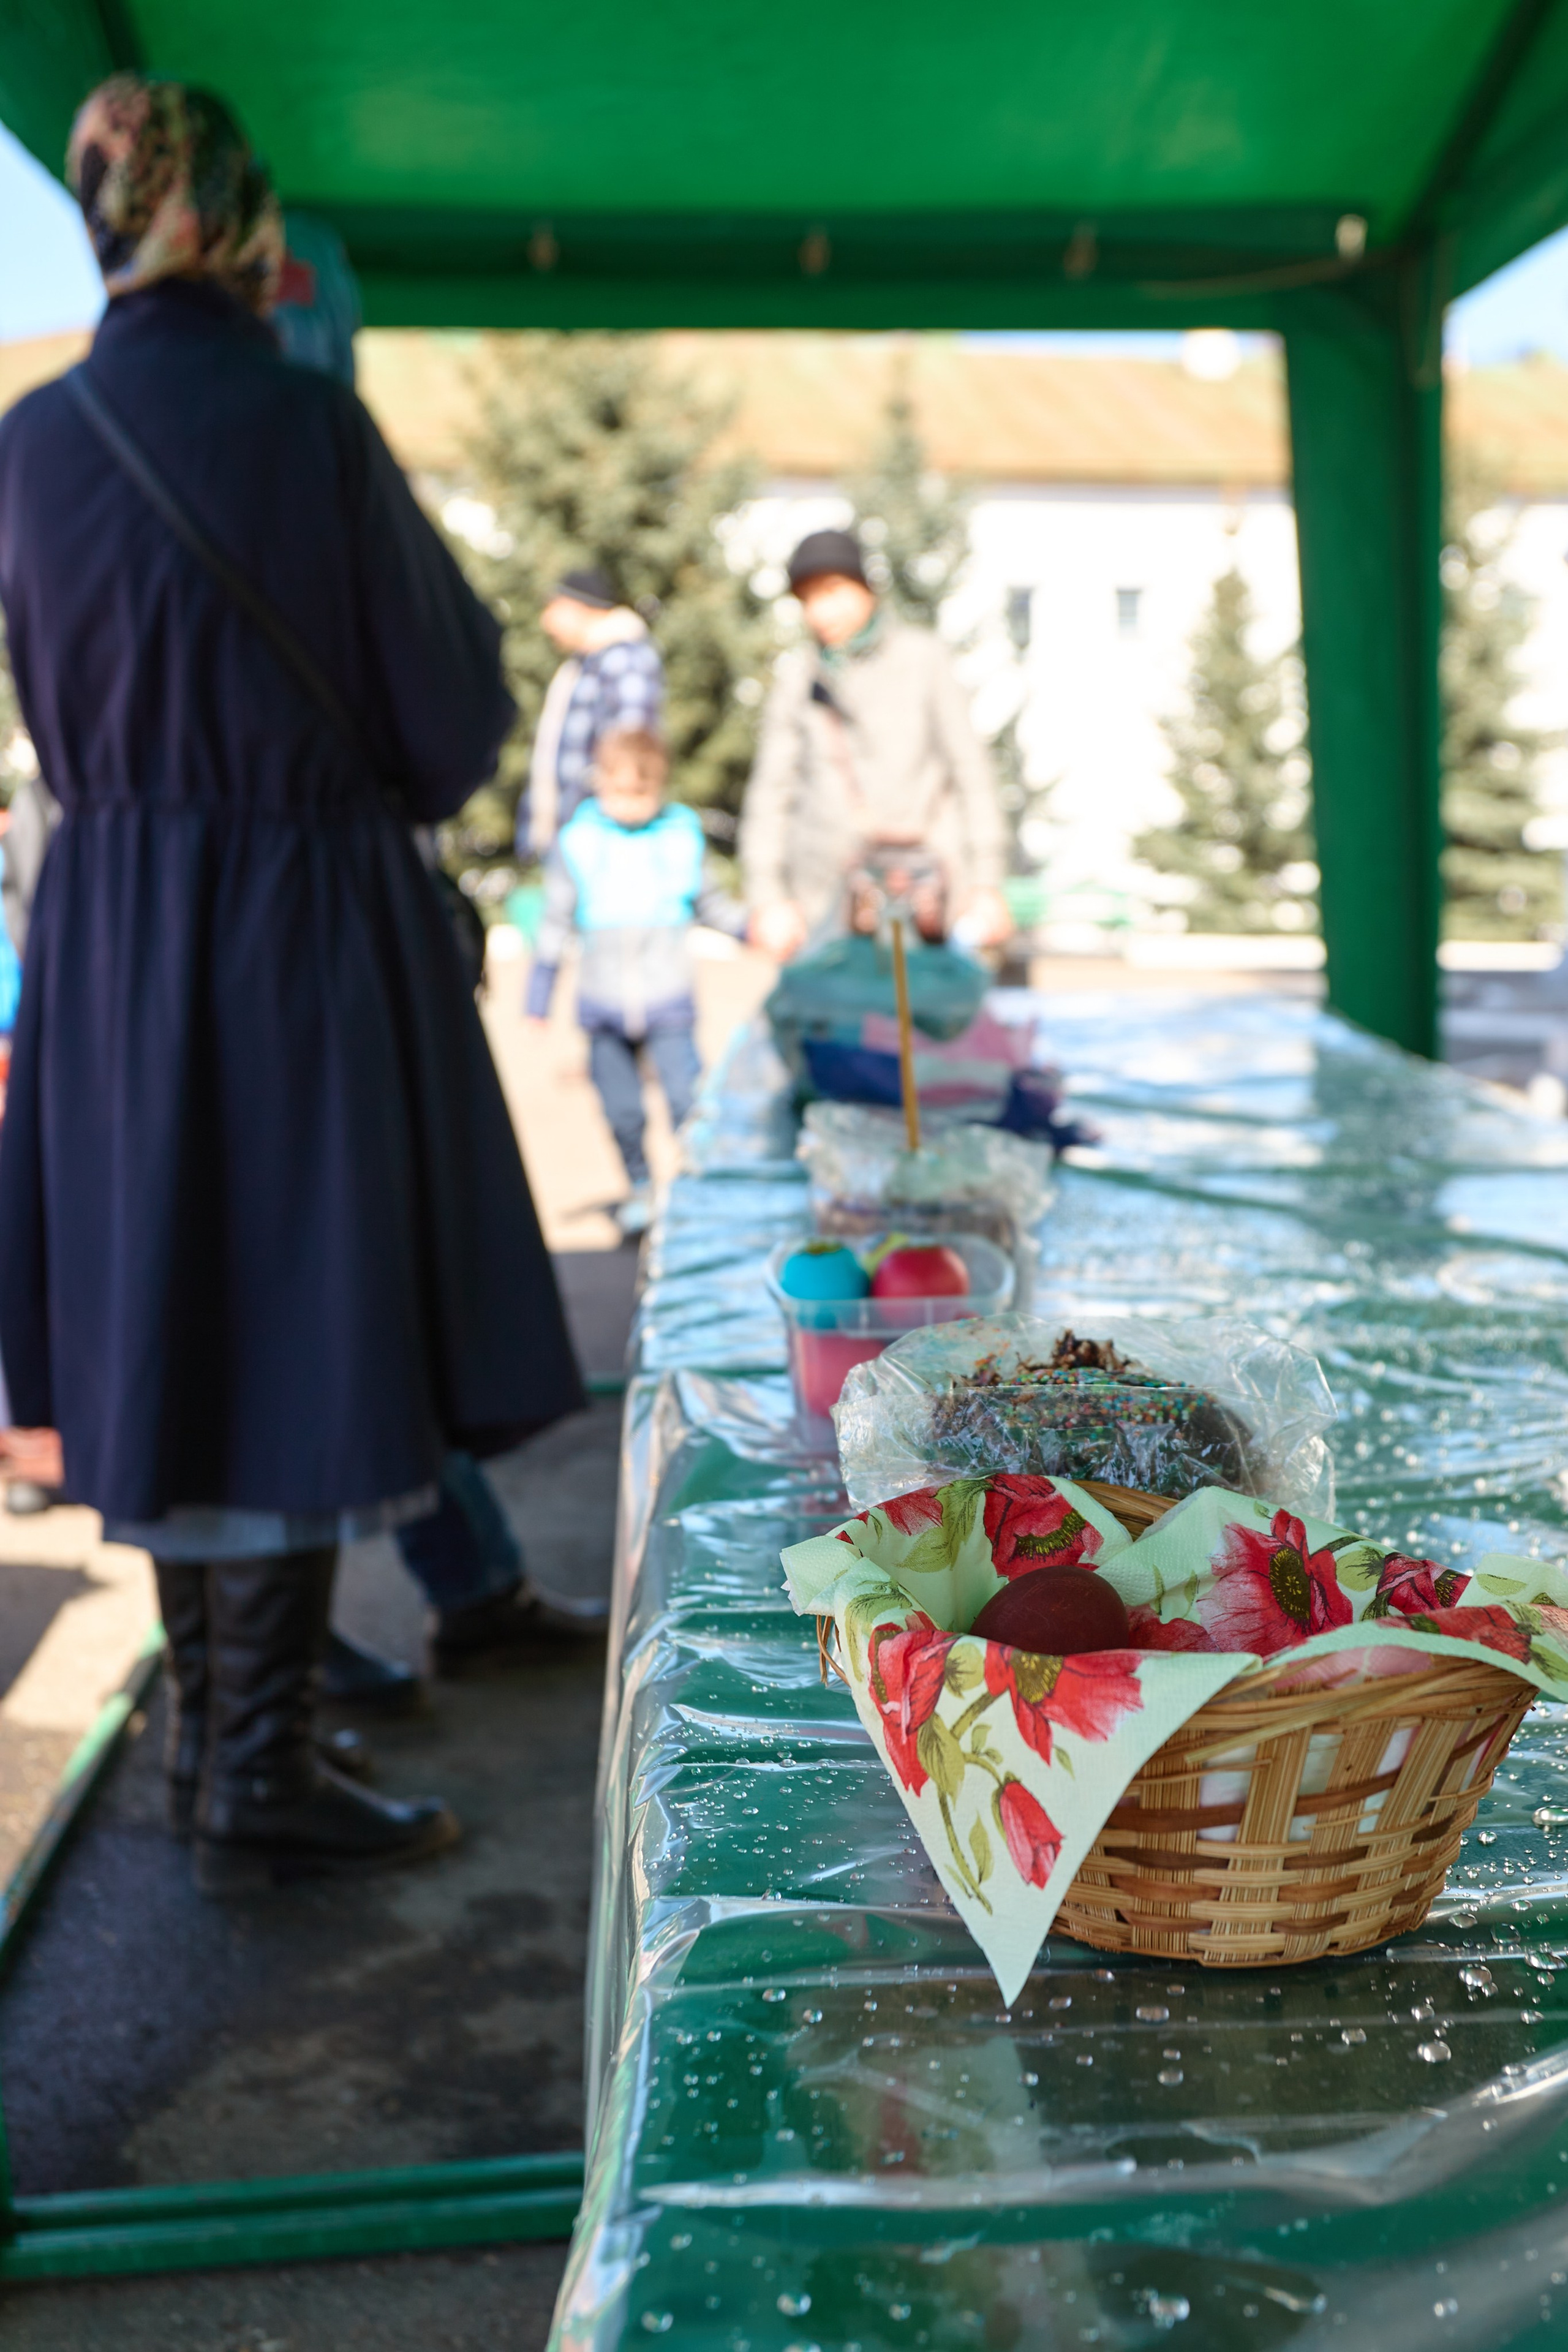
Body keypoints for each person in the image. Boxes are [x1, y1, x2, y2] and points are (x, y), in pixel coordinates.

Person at [0, 75, 585, 1890]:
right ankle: (246, 1765)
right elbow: (446, 715)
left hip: (104, 911)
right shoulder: (303, 422)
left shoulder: (31, 436)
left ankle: (222, 1740)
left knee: (174, 1311)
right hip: (288, 914)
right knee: (296, 1311)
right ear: (242, 220)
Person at [739, 526, 1012, 961]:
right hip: (826, 902)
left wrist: (986, 882)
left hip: (926, 893)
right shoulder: (799, 677)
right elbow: (772, 791)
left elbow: (971, 772)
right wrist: (768, 897)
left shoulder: (924, 660)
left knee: (923, 1025)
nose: (820, 610)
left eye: (832, 590)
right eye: (807, 598)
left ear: (866, 587)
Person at [526, 728, 745, 1236]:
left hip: (668, 1000)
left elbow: (711, 905)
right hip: (603, 1007)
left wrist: (753, 928)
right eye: (617, 791)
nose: (628, 804)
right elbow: (556, 923)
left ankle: (699, 1187)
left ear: (660, 787)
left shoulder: (678, 837)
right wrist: (538, 995)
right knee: (622, 1109)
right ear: (600, 785)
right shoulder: (579, 842)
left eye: (640, 793)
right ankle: (641, 1186)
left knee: (686, 1099)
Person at [516, 568, 663, 860]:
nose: (546, 621)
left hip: (600, 846)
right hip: (574, 839)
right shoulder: (584, 665)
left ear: (579, 606)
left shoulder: (624, 659)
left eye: (553, 608)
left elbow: (631, 756)